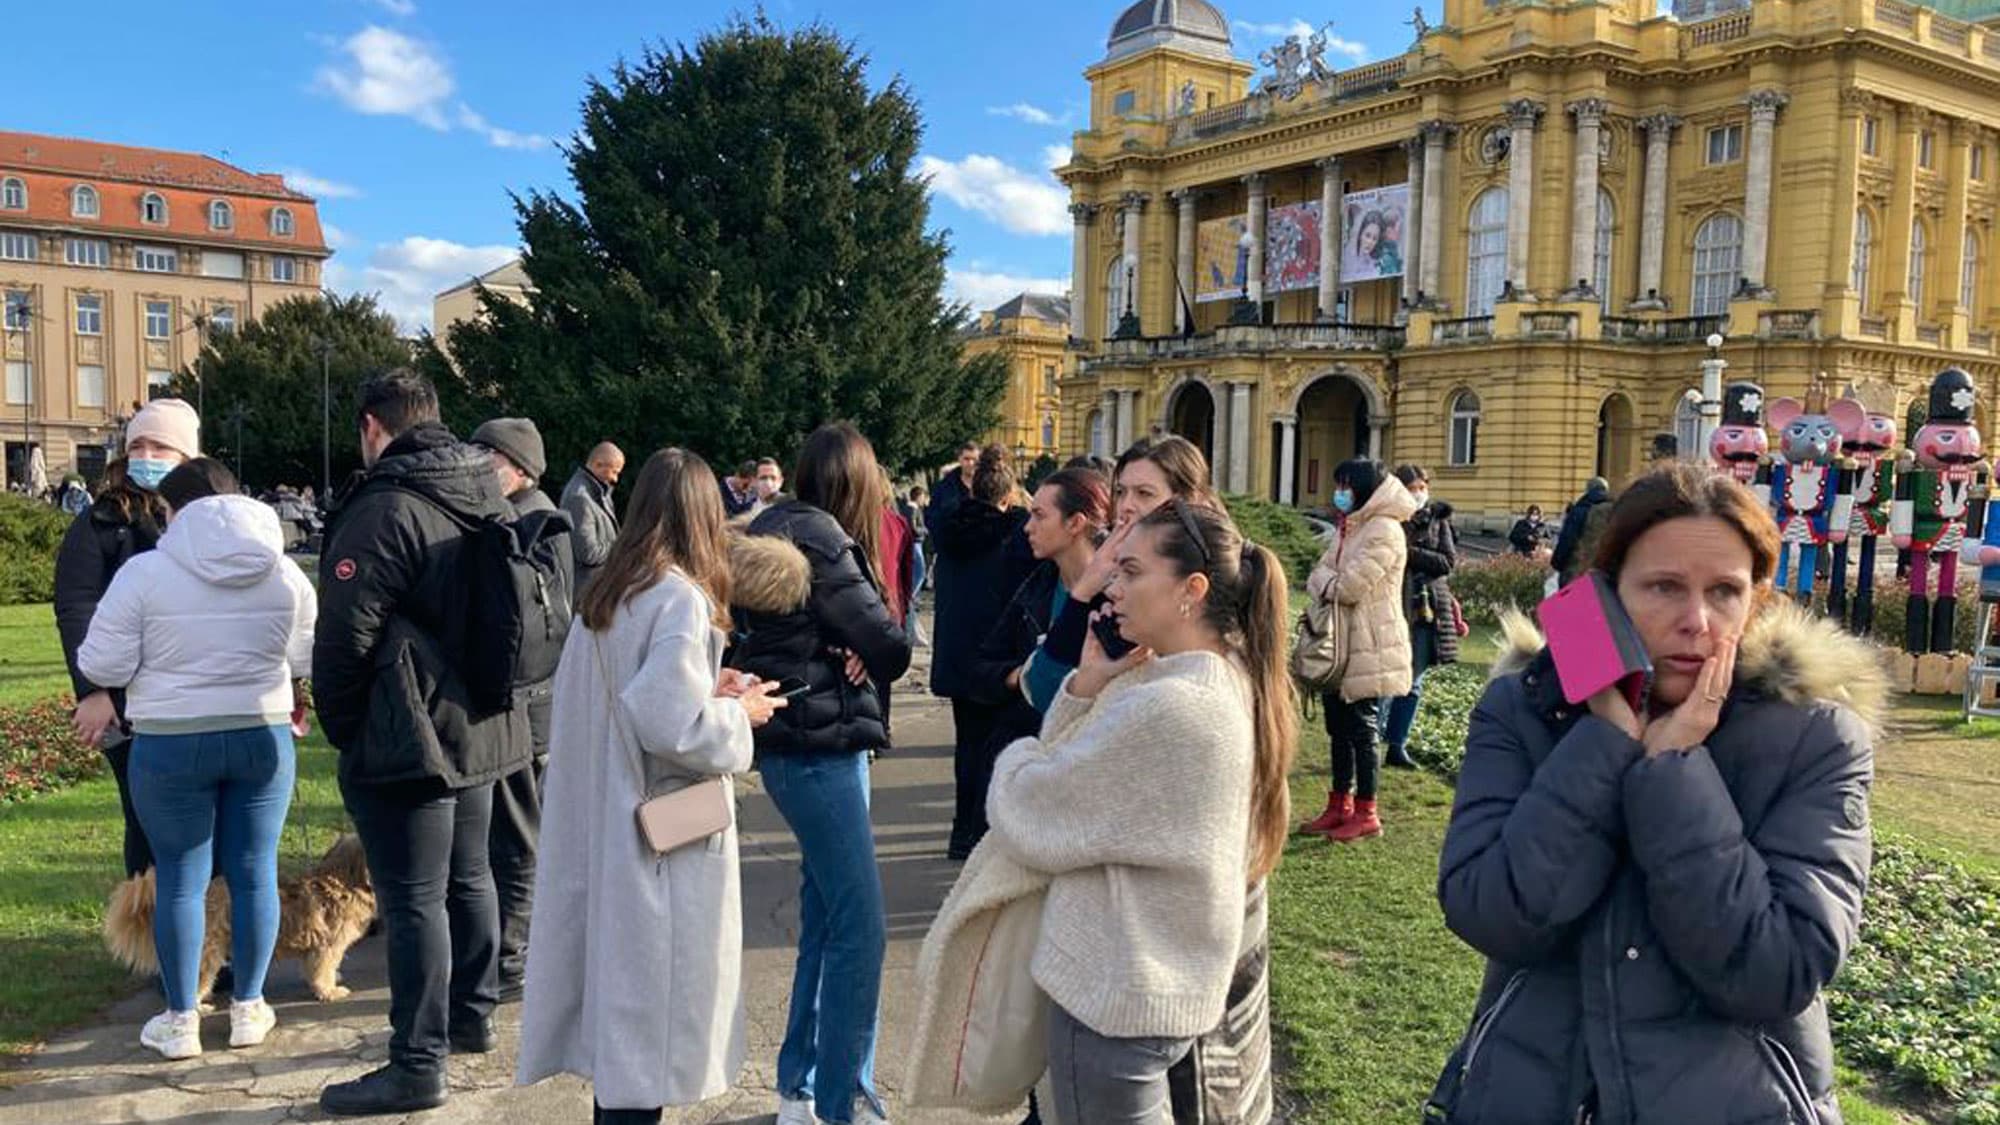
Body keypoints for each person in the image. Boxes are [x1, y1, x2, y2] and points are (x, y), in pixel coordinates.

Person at [1427, 464, 1879, 1125]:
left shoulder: (1815, 736)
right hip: (1530, 1091)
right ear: (1607, 593)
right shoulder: (1528, 705)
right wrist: (1605, 740)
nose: (1695, 620)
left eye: (1724, 591)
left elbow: (1777, 967)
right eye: (1663, 586)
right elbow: (1489, 908)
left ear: (1757, 601)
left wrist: (1671, 770)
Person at [983, 501, 1296, 1124]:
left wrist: (1022, 748)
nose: (1113, 587)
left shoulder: (1171, 706)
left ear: (1192, 590)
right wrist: (1087, 687)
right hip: (1154, 992)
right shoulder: (1217, 677)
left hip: (1115, 1000)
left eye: (1131, 571)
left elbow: (1027, 811)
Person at [515, 448, 785, 1125]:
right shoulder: (680, 599)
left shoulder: (608, 594)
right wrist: (739, 713)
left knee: (621, 1040)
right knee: (646, 1039)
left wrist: (708, 689)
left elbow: (634, 704)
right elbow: (673, 726)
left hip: (603, 823)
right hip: (657, 841)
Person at [313, 371, 532, 1116]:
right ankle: (471, 1016)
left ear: (373, 426)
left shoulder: (387, 506)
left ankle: (416, 1061)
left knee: (413, 899)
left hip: (410, 728)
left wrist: (346, 729)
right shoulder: (481, 485)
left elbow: (344, 635)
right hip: (481, 719)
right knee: (470, 874)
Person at [77, 458, 315, 1060]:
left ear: (168, 510)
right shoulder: (283, 572)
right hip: (261, 732)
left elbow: (101, 664)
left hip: (171, 739)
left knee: (181, 878)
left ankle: (181, 1017)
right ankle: (250, 1007)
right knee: (255, 870)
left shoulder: (144, 573)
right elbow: (306, 654)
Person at [728, 422, 912, 1125]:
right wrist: (853, 641)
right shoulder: (827, 539)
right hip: (824, 745)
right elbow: (890, 648)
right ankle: (845, 1100)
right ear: (857, 482)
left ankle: (800, 1089)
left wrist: (844, 639)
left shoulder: (767, 525)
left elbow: (816, 631)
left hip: (793, 742)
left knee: (826, 921)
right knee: (860, 930)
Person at [56, 396, 201, 879]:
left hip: (199, 693)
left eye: (160, 446)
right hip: (125, 699)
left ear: (187, 457)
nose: (146, 456)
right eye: (138, 445)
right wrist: (93, 690)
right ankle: (152, 941)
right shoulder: (100, 521)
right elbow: (76, 608)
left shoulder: (210, 517)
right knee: (147, 825)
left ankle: (211, 941)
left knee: (209, 829)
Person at [468, 417, 574, 1003]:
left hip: (525, 707)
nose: (478, 465)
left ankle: (509, 957)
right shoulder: (538, 513)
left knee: (516, 837)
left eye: (488, 456)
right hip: (535, 703)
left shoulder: (525, 521)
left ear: (518, 467)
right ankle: (511, 951)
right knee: (518, 832)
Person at [1299, 459, 1418, 842]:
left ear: (1365, 488)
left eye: (1346, 485)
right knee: (1338, 727)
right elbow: (1319, 572)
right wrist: (1324, 580)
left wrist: (1324, 581)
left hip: (1370, 642)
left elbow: (1349, 587)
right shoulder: (1353, 526)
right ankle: (1339, 805)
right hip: (1340, 642)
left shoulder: (1384, 530)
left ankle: (1367, 811)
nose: (1341, 492)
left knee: (1362, 729)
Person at [929, 446, 1034, 861]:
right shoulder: (1016, 534)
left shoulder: (949, 528)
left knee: (967, 747)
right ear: (1008, 495)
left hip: (958, 651)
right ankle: (981, 833)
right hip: (997, 656)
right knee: (997, 750)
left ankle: (960, 832)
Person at [1380, 464, 1458, 770]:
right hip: (1392, 603)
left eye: (1422, 487)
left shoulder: (1438, 520)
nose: (1419, 493)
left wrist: (1409, 553)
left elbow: (1447, 562)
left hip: (1426, 607)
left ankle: (1397, 744)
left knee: (1413, 679)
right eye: (1412, 487)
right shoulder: (1386, 519)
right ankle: (1375, 736)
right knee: (1387, 676)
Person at [562, 442, 625, 593]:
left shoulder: (599, 492)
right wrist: (623, 546)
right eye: (614, 472)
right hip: (586, 594)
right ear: (598, 464)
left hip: (598, 590)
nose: (615, 479)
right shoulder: (580, 498)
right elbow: (588, 553)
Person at [1550, 476, 1610, 585]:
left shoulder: (1580, 510)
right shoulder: (1617, 509)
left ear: (1588, 490)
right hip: (1607, 573)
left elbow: (1567, 540)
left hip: (1579, 569)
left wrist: (1557, 563)